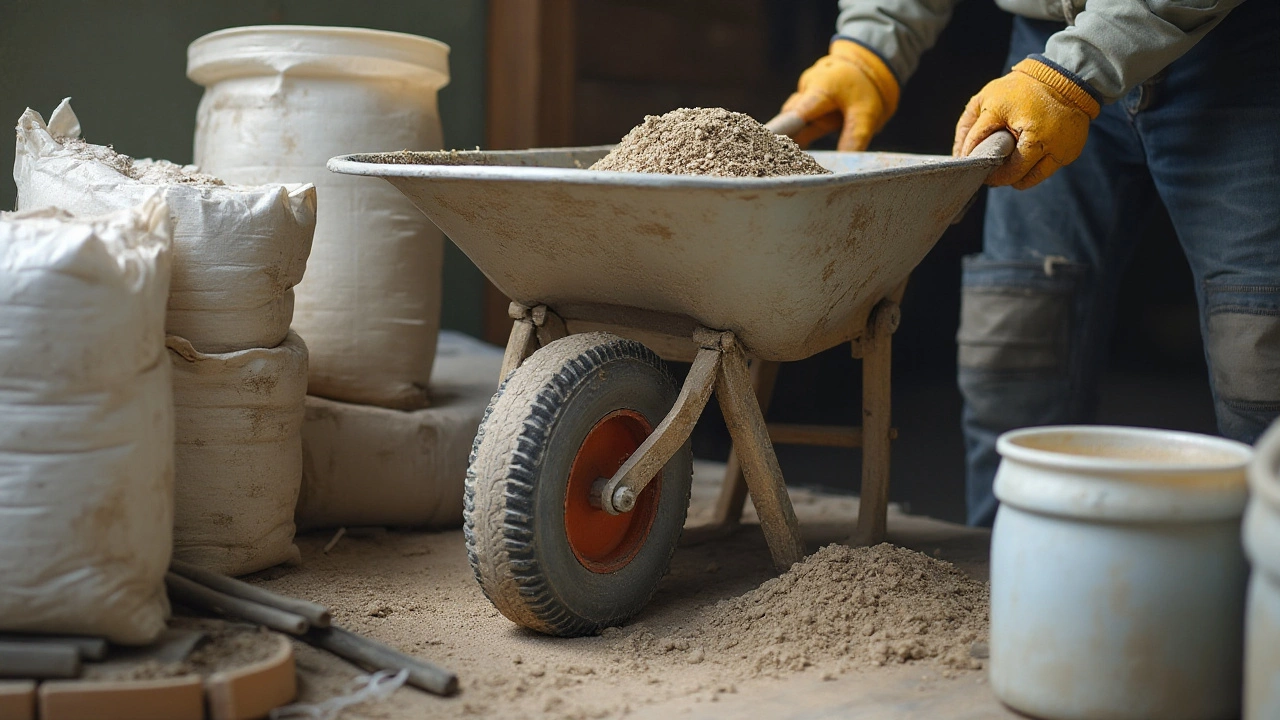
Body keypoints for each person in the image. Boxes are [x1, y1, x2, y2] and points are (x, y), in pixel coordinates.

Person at [779, 0, 1280, 525]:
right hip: (1044, 57)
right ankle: (1003, 578)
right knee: (1015, 356)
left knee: (1260, 361)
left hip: (1233, 49)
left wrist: (1072, 74)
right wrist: (869, 42)